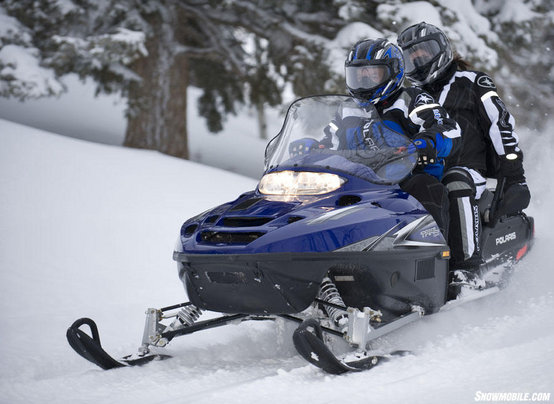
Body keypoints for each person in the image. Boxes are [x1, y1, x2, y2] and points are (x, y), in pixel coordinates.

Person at [397, 22, 531, 280]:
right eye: (411, 56)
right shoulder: (410, 97)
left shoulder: (472, 82)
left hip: (468, 170)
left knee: (455, 181)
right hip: (423, 170)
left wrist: (514, 176)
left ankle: (467, 268)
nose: (419, 59)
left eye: (424, 51)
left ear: (442, 49)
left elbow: (499, 125)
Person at [323, 38, 462, 237]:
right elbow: (329, 141)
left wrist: (427, 143)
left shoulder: (412, 99)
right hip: (359, 182)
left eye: (372, 74)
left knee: (425, 187)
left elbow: (447, 128)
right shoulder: (348, 109)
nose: (365, 80)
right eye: (359, 75)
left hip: (405, 178)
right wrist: (310, 147)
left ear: (392, 72)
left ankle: (436, 254)